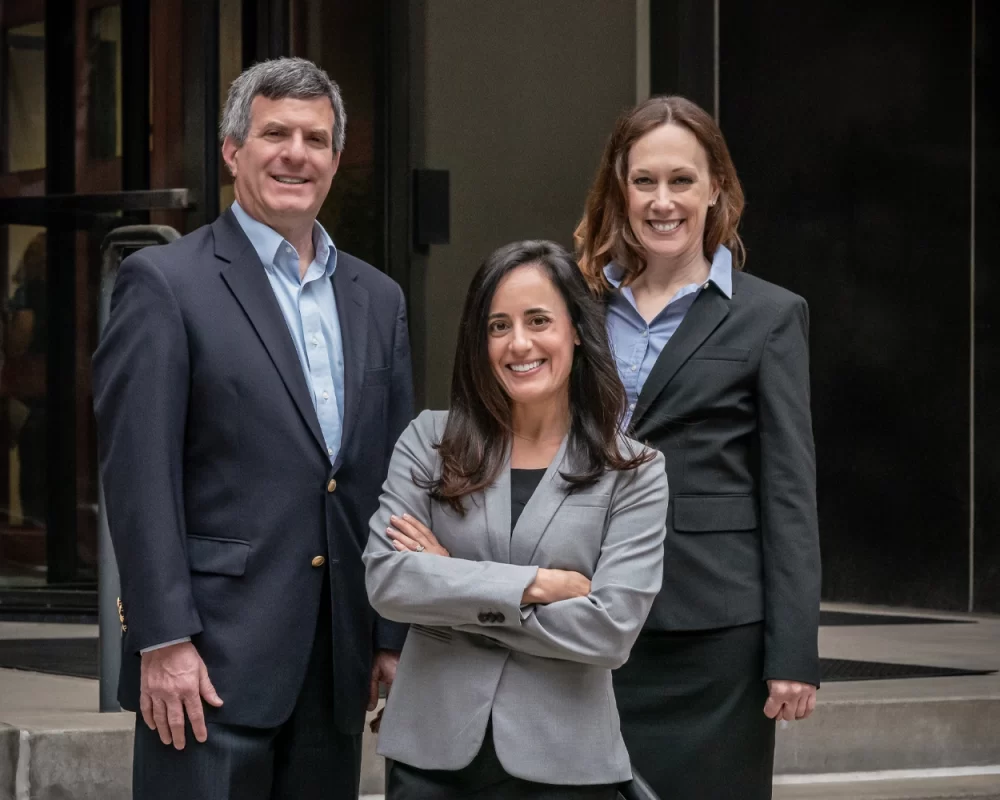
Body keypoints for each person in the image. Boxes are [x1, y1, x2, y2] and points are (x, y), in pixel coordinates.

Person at [93, 57, 412, 800]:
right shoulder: (166, 283)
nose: (296, 153)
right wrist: (163, 638)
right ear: (234, 151)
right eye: (275, 133)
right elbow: (138, 477)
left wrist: (390, 633)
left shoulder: (379, 297)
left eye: (316, 138)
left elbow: (392, 482)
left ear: (335, 158)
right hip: (207, 666)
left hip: (336, 664)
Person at [576, 95, 821, 800]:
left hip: (714, 636)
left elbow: (788, 492)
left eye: (681, 180)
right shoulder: (577, 307)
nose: (662, 201)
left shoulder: (770, 316)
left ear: (716, 187)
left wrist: (794, 653)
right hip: (585, 615)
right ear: (619, 190)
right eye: (643, 180)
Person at [363, 240, 669, 799]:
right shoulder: (430, 442)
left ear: (576, 329)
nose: (518, 343)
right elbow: (388, 582)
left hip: (564, 761)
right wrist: (535, 586)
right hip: (432, 756)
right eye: (498, 325)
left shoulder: (634, 470)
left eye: (538, 320)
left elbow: (610, 631)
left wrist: (450, 581)